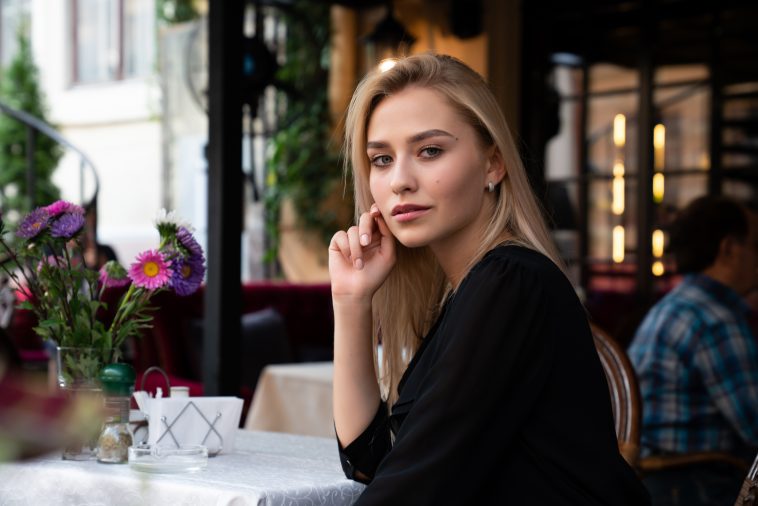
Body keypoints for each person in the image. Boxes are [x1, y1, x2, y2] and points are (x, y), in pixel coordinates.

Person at [328, 53, 649, 504]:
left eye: (430, 151)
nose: (399, 180)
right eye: (381, 159)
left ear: (493, 164)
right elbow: (372, 462)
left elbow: (408, 491)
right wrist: (350, 301)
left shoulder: (511, 282)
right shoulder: (468, 292)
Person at [628, 195, 758, 505]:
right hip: (695, 488)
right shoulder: (714, 320)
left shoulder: (680, 304)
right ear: (729, 249)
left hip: (654, 485)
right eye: (756, 246)